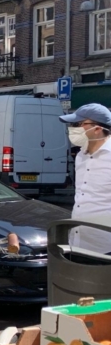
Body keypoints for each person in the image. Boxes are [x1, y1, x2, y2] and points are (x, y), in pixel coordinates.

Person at [59, 103, 111, 254]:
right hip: (78, 242)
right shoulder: (81, 155)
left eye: (78, 124)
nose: (73, 128)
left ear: (97, 128)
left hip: (105, 246)